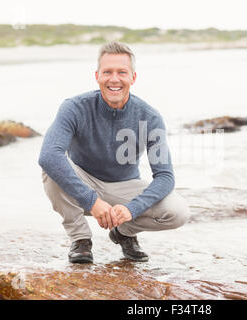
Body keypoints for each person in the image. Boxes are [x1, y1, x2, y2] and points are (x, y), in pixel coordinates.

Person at [38, 41, 190, 263]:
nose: (114, 79)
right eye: (107, 72)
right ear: (97, 75)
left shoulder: (150, 116)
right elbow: (49, 155)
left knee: (178, 212)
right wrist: (92, 201)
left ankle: (124, 233)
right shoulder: (74, 107)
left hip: (124, 187)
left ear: (133, 78)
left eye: (122, 72)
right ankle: (80, 239)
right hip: (84, 181)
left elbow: (165, 177)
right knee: (52, 166)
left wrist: (132, 209)